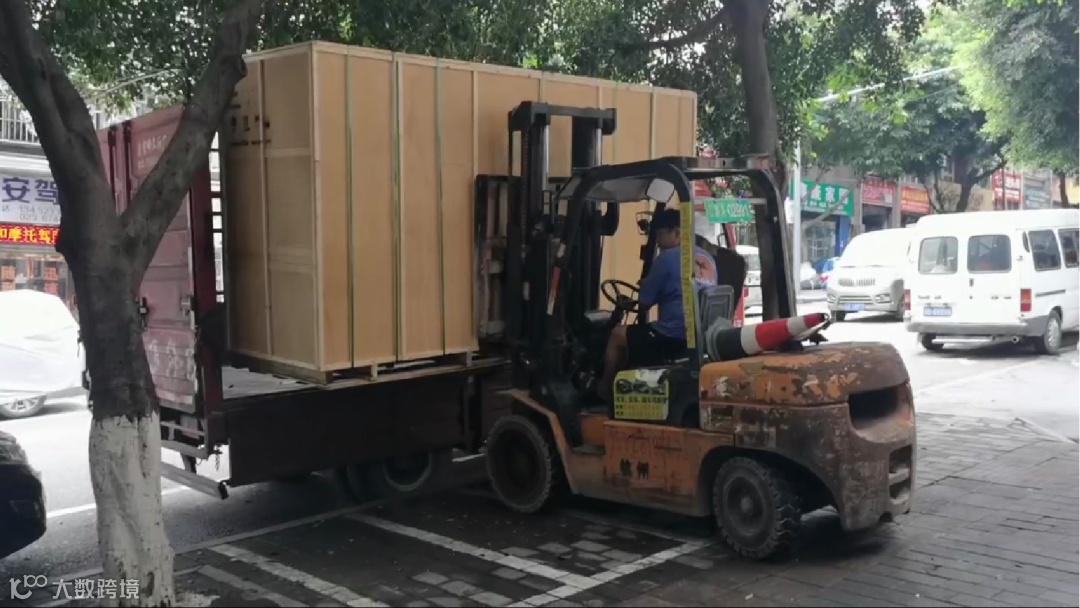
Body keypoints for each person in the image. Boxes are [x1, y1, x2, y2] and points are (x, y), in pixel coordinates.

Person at [597, 208, 718, 401]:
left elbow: (644, 304)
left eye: (660, 235)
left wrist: (647, 286)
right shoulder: (707, 258)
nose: (658, 242)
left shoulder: (666, 258)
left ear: (676, 233)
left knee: (618, 335)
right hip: (699, 334)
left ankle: (603, 391)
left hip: (671, 335)